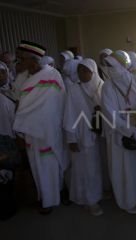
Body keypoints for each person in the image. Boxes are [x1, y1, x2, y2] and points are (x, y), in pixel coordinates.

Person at [13, 40, 67, 214]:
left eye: (21, 58)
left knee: (50, 166)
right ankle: (45, 197)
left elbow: (59, 102)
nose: (18, 62)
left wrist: (44, 120)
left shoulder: (53, 75)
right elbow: (17, 102)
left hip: (48, 130)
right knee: (37, 167)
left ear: (34, 59)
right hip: (30, 131)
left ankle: (50, 200)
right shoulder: (22, 77)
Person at [101, 50, 136, 214]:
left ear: (122, 66)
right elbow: (109, 113)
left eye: (112, 65)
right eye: (107, 65)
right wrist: (129, 130)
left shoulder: (134, 79)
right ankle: (126, 200)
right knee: (123, 168)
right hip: (118, 133)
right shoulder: (107, 86)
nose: (108, 68)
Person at [63, 58, 104, 216]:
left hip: (98, 134)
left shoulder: (100, 87)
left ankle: (95, 195)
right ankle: (89, 200)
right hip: (80, 135)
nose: (82, 74)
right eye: (79, 71)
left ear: (93, 72)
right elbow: (69, 115)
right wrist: (71, 138)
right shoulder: (74, 90)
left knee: (95, 168)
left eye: (85, 70)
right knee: (84, 168)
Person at [0, 60, 18, 220]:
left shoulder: (9, 93)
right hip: (3, 140)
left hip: (9, 140)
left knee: (8, 174)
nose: (2, 76)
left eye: (3, 71)